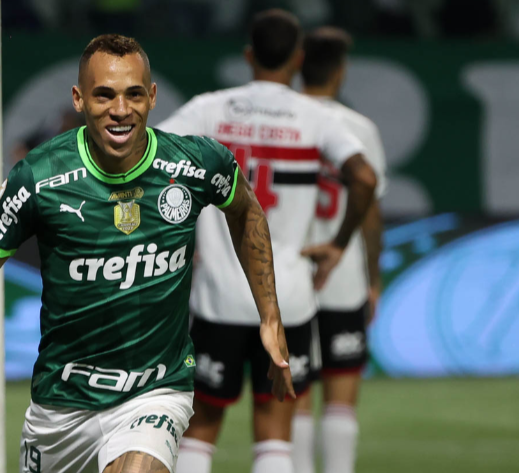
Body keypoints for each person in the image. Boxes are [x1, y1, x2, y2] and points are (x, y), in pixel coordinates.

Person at [0, 34, 295, 473]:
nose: (120, 110)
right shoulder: (39, 178)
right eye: (104, 95)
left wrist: (269, 315)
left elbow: (246, 212)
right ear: (79, 99)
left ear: (151, 97)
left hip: (154, 392)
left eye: (132, 95)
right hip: (60, 410)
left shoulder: (196, 163)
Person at [157, 10, 378, 473]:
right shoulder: (315, 117)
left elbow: (151, 157)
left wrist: (176, 231)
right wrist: (338, 245)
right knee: (275, 431)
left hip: (218, 295)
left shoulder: (209, 109)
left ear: (248, 55)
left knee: (201, 427)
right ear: (297, 59)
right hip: (286, 300)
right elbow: (364, 178)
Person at [291, 27, 388, 473]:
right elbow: (369, 211)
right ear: (341, 71)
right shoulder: (359, 128)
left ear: (298, 64)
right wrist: (373, 278)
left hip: (290, 275)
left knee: (295, 396)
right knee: (341, 398)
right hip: (343, 275)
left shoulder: (284, 122)